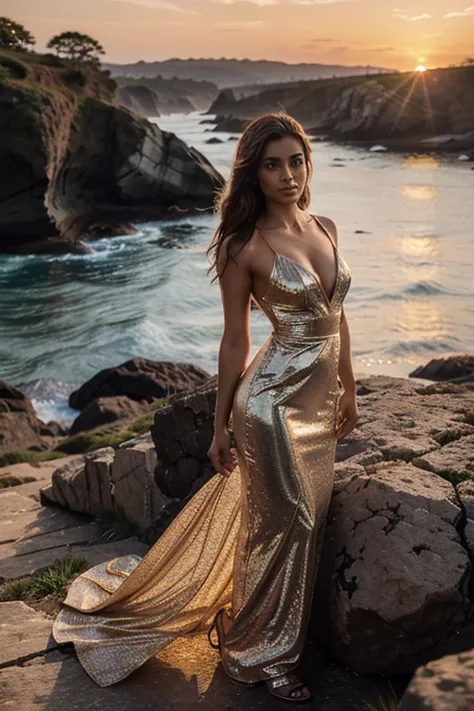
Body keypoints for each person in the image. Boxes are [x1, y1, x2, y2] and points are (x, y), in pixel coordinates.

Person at [52, 112, 358, 704]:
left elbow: (337, 318)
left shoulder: (326, 226)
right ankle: (258, 653)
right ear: (252, 172)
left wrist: (348, 387)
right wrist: (220, 425)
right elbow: (236, 341)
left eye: (296, 160)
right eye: (272, 164)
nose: (288, 174)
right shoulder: (244, 245)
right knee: (287, 521)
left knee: (299, 524)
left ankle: (246, 626)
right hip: (269, 403)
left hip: (322, 404)